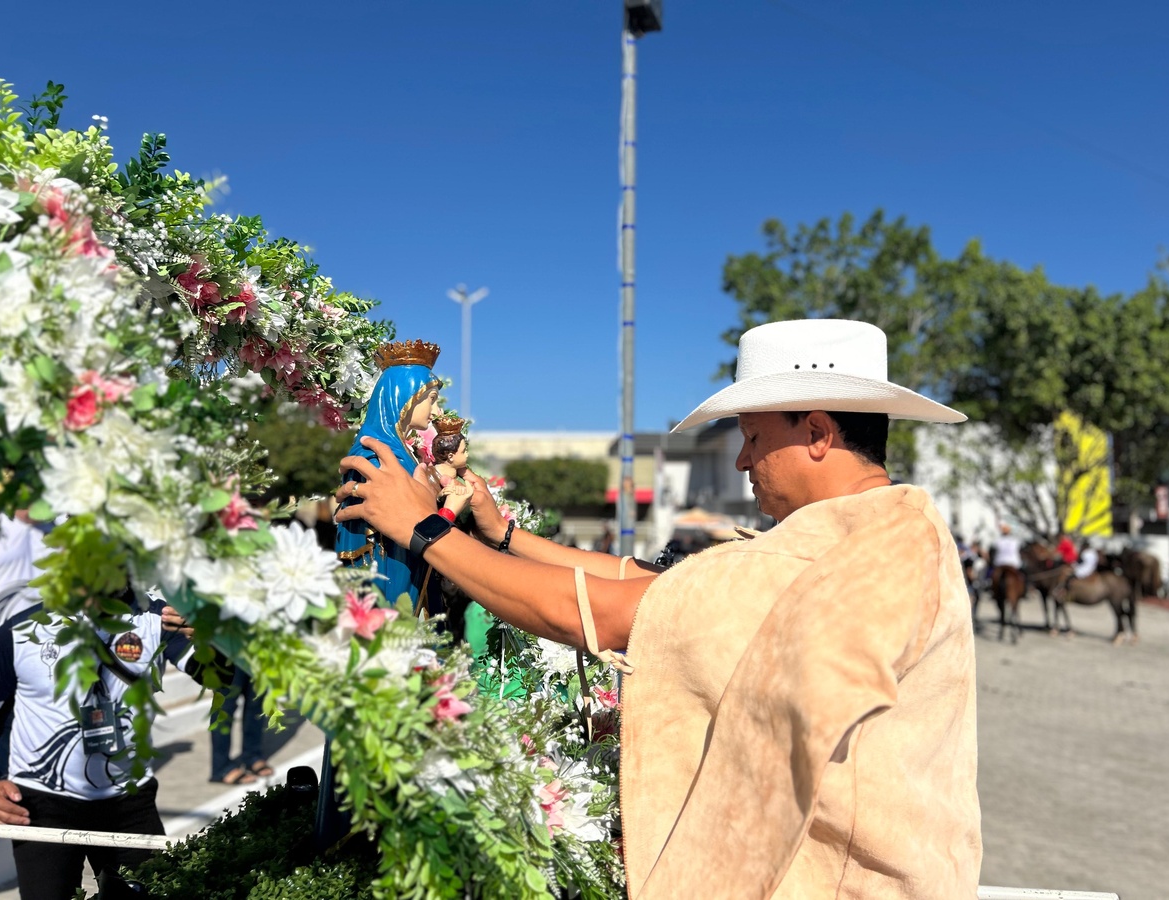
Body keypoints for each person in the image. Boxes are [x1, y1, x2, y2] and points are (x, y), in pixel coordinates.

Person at [336, 318, 982, 898]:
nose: (742, 459)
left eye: (754, 437)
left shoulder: (832, 559)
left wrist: (422, 529)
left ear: (817, 432)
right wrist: (503, 534)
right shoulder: (883, 530)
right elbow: (660, 584)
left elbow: (602, 613)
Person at [0, 594, 208, 900]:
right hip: (42, 804)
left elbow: (222, 675)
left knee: (156, 891)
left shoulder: (158, 618)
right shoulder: (20, 631)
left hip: (129, 800)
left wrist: (212, 637)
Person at [336, 338, 445, 613]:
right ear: (405, 397)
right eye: (431, 400)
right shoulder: (372, 458)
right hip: (387, 587)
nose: (437, 412)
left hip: (412, 574)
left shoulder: (402, 454)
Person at [208, 666, 271, 785]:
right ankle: (221, 767)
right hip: (227, 651)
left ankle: (252, 756)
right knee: (224, 706)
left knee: (256, 702)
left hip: (260, 653)